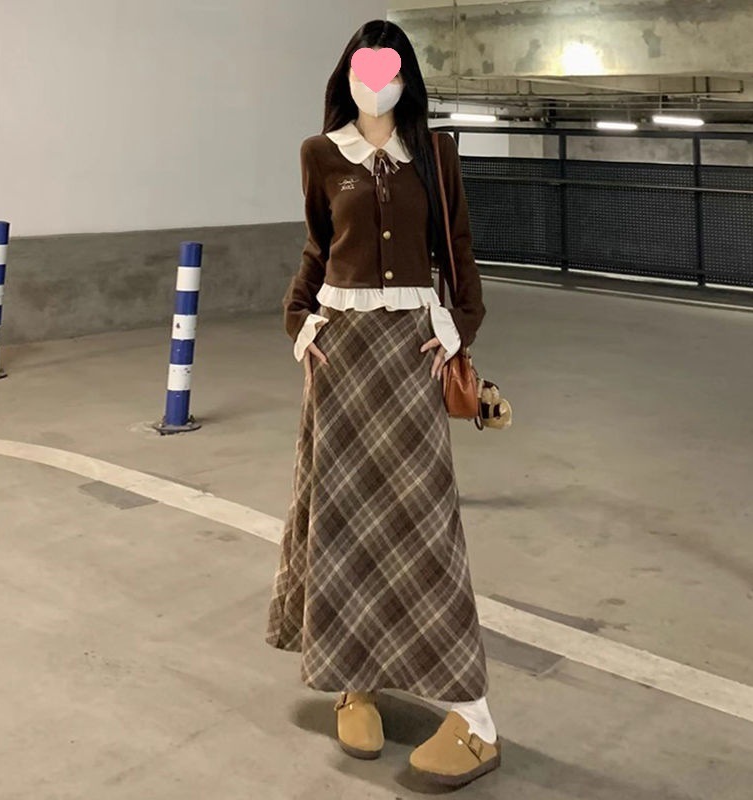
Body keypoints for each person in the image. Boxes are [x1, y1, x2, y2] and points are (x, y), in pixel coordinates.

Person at [265, 18, 500, 789]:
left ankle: (474, 715)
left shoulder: (434, 153)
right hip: (341, 356)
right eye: (366, 70)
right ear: (349, 76)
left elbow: (457, 249)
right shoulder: (320, 154)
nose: (377, 83)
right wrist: (300, 324)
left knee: (426, 525)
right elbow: (316, 246)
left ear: (406, 78)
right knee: (343, 520)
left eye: (390, 69)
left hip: (409, 354)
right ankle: (354, 683)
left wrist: (459, 327)